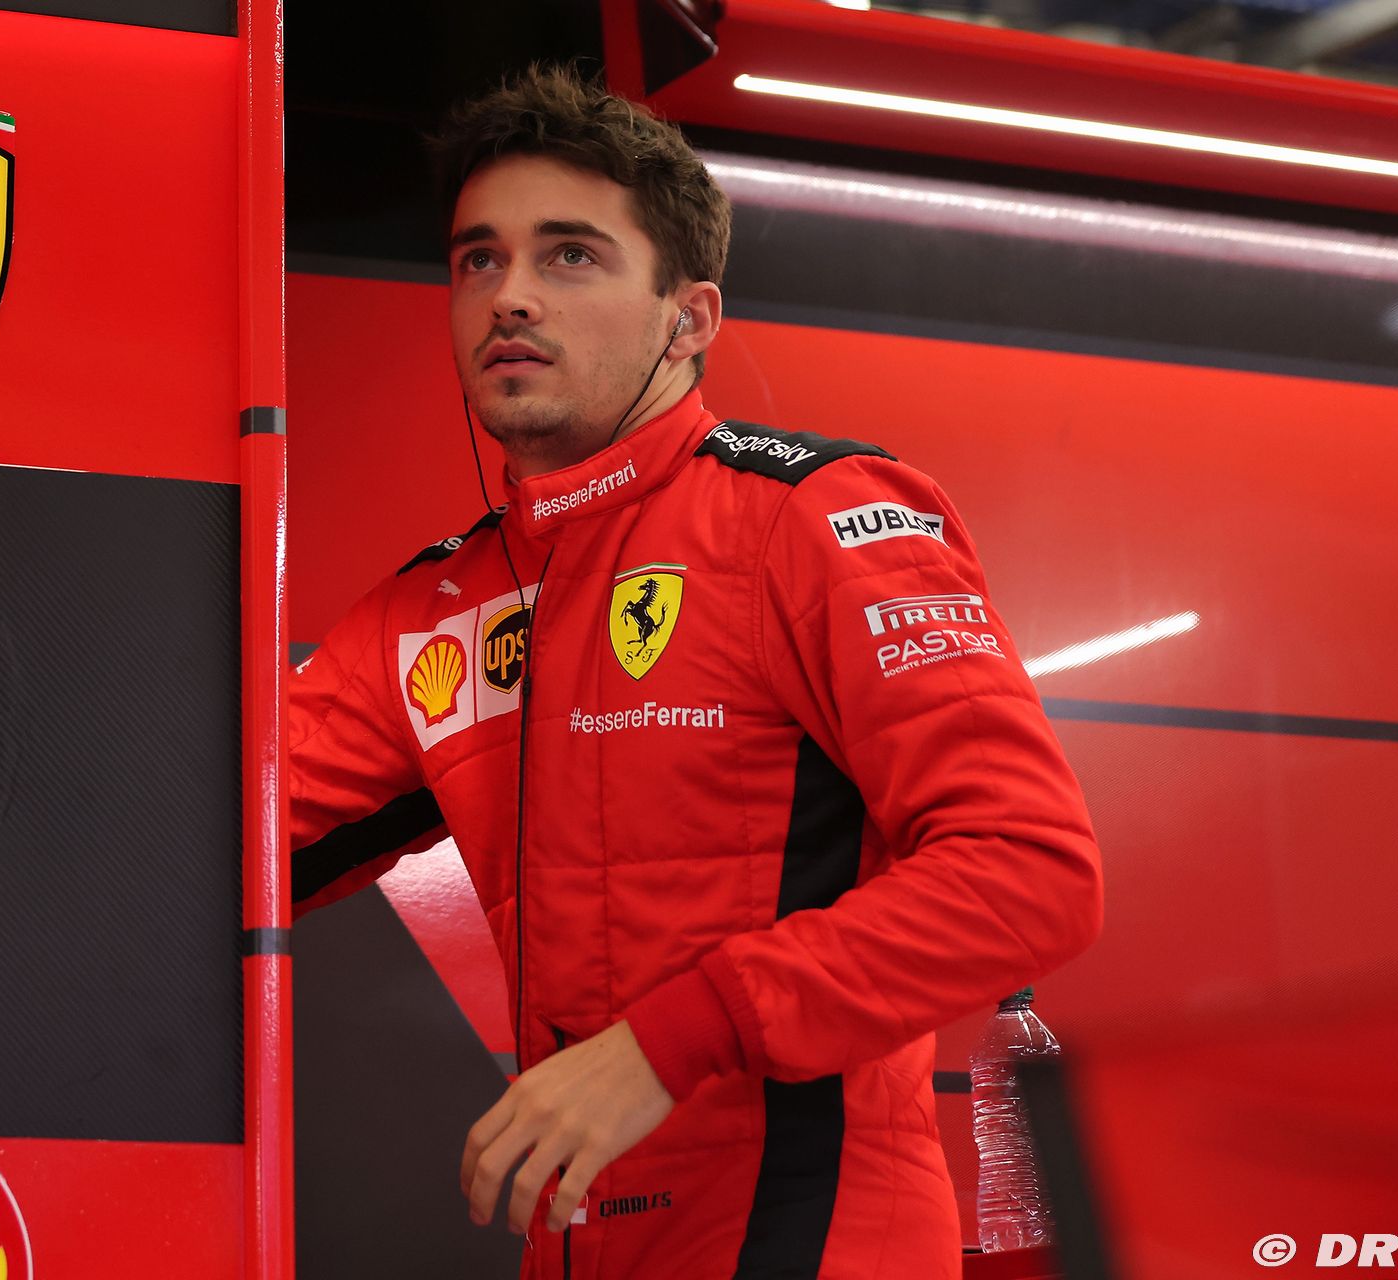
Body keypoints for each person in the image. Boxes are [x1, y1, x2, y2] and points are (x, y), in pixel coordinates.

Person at [287, 63, 1104, 1280]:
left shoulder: (812, 517)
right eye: (478, 260)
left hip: (816, 1237)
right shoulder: (434, 610)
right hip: (578, 1244)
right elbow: (195, 843)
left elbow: (1031, 871)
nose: (510, 295)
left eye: (570, 255)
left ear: (691, 317)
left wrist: (663, 1044)